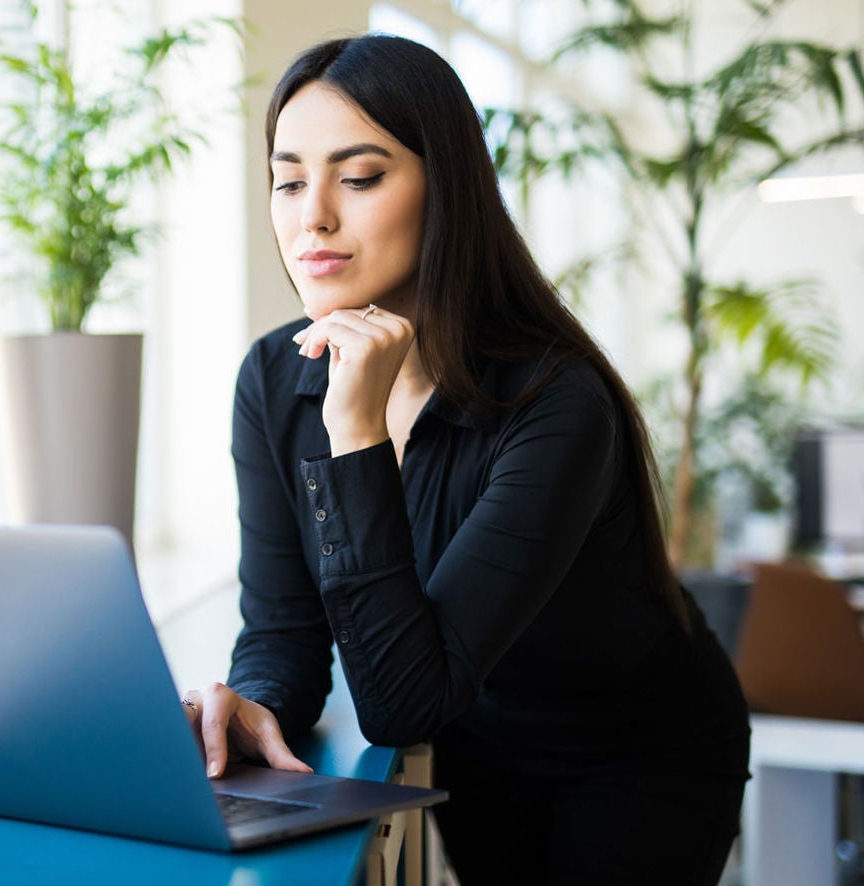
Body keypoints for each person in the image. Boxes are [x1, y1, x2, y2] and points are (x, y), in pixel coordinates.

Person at [178, 33, 751, 885]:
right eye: (289, 180)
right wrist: (251, 703)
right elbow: (284, 631)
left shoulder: (558, 403)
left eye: (360, 176)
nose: (314, 216)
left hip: (634, 754)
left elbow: (398, 703)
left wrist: (356, 432)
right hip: (477, 742)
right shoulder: (272, 378)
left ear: (445, 190)